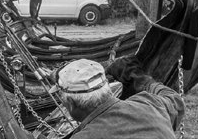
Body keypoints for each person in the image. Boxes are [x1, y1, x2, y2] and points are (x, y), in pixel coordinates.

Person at [56, 56, 184, 138]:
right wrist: (138, 77)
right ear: (108, 89)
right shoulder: (151, 105)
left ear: (71, 104)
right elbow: (173, 98)